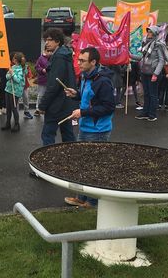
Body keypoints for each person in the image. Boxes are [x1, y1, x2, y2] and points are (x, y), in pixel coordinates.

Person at [63, 47, 116, 208]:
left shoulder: (103, 81)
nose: (78, 63)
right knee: (83, 164)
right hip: (86, 127)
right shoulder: (86, 77)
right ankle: (81, 198)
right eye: (78, 60)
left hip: (98, 131)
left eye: (82, 61)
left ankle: (92, 202)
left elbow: (109, 107)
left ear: (93, 62)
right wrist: (76, 94)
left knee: (94, 166)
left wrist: (83, 112)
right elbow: (89, 97)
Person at [38, 28, 78, 146]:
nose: (46, 43)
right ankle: (72, 157)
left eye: (50, 40)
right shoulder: (64, 53)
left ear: (58, 41)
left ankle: (47, 161)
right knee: (67, 134)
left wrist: (42, 105)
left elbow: (53, 85)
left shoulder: (59, 57)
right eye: (46, 40)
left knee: (48, 134)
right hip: (66, 102)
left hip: (56, 104)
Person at [132, 26, 166, 122]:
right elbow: (141, 58)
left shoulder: (158, 45)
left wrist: (156, 74)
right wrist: (130, 55)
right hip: (144, 72)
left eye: (151, 32)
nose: (148, 33)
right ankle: (145, 112)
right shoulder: (145, 43)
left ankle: (152, 114)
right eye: (148, 32)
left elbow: (161, 60)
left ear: (155, 33)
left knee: (153, 94)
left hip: (153, 73)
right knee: (146, 93)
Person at [2, 52, 25, 132]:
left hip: (15, 92)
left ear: (16, 60)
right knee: (8, 108)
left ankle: (16, 124)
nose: (13, 59)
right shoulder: (12, 67)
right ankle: (7, 123)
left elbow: (18, 80)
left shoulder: (20, 69)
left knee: (13, 108)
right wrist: (9, 74)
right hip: (8, 89)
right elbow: (7, 77)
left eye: (14, 58)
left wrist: (12, 74)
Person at [34, 44, 51, 116]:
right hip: (42, 79)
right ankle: (38, 109)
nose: (49, 52)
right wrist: (42, 70)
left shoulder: (53, 58)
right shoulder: (41, 58)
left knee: (48, 95)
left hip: (50, 80)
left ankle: (46, 108)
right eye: (48, 51)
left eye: (50, 51)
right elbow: (36, 67)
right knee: (40, 95)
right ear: (45, 51)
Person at [21, 55, 34, 120]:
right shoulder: (16, 67)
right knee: (16, 100)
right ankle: (15, 113)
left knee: (26, 98)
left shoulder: (26, 67)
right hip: (17, 86)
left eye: (24, 61)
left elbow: (29, 75)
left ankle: (26, 111)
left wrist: (28, 72)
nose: (23, 62)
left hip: (25, 85)